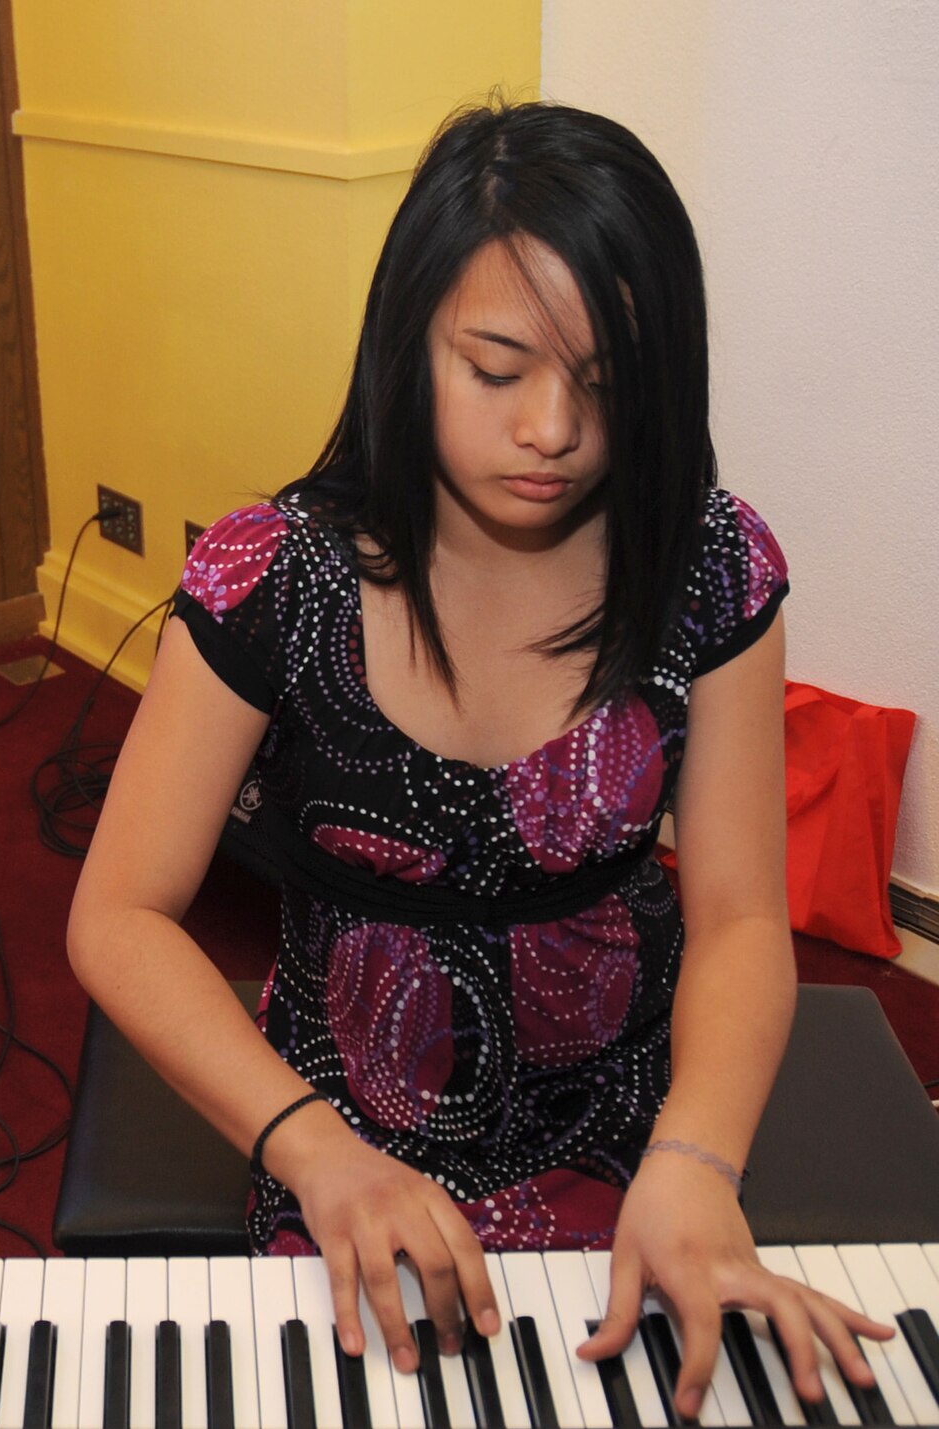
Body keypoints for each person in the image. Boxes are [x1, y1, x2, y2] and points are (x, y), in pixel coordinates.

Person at [66, 98, 894, 1420]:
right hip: (338, 1121)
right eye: (497, 367)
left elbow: (740, 915)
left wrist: (696, 1155)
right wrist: (319, 1155)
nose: (553, 427)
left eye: (606, 380)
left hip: (629, 1110)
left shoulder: (712, 562)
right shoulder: (271, 573)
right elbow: (117, 915)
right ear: (413, 348)